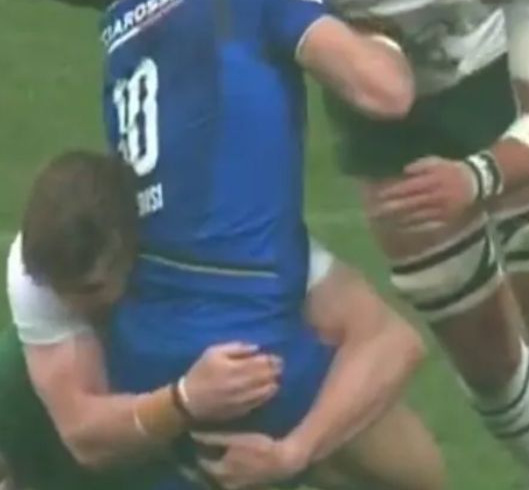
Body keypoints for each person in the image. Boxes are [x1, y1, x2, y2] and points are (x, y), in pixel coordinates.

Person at [13, 0, 529, 489]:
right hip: (377, 137)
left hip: (493, 75)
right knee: (474, 379)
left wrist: (479, 175)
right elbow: (384, 93)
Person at [8, 0, 438, 488]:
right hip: (251, 350)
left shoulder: (121, 54)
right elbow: (383, 92)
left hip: (143, 361)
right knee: (419, 472)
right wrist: (385, 36)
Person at [4, 151, 443, 490]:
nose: (72, 306)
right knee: (13, 375)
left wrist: (295, 450)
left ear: (131, 248)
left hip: (235, 387)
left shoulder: (224, 243)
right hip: (153, 406)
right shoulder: (37, 275)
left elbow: (394, 342)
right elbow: (85, 437)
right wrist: (185, 399)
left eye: (89, 290)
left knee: (388, 454)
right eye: (57, 291)